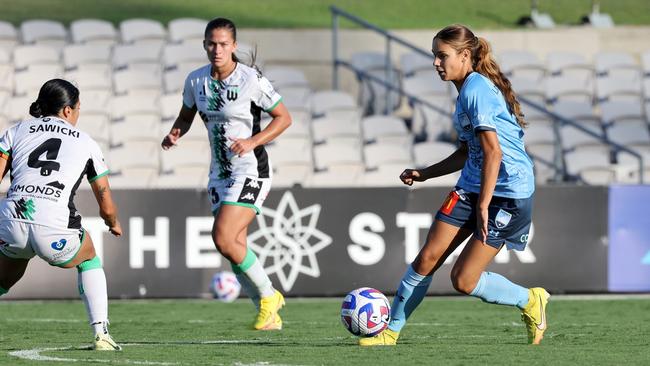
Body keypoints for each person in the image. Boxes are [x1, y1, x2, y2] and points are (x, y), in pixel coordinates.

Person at [361, 24, 548, 346]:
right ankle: (390, 332)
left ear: (465, 56)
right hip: (473, 185)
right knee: (426, 259)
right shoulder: (464, 91)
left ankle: (530, 300)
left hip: (508, 194)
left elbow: (494, 152)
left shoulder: (476, 90)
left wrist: (484, 204)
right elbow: (468, 151)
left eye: (441, 55)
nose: (436, 63)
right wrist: (425, 173)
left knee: (463, 280)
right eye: (434, 55)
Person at [161, 17, 292, 330]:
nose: (216, 49)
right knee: (236, 250)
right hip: (220, 173)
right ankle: (269, 315)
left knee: (222, 238)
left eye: (223, 44)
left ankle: (269, 296)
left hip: (251, 170)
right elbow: (186, 114)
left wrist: (252, 141)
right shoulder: (196, 81)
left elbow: (284, 118)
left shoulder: (250, 79)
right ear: (204, 44)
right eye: (211, 43)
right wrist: (174, 133)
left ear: (234, 46)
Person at [0, 79, 122, 350]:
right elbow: (106, 203)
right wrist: (113, 223)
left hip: (12, 220)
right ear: (68, 111)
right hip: (53, 224)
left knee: (6, 277)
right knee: (89, 257)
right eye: (78, 108)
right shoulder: (87, 142)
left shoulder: (16, 131)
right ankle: (101, 334)